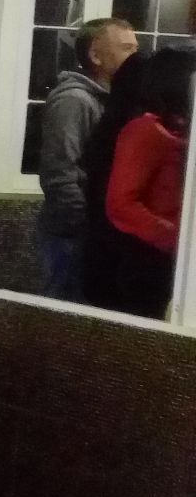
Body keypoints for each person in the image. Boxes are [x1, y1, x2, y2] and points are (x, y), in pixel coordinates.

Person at [83, 47, 193, 320]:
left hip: (171, 259)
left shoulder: (179, 129)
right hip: (149, 260)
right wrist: (175, 238)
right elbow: (121, 203)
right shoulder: (146, 129)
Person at [38, 18, 138, 303]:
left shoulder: (108, 99)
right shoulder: (74, 101)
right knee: (66, 313)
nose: (136, 57)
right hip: (71, 235)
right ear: (95, 55)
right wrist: (84, 225)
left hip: (87, 232)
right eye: (126, 48)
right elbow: (59, 172)